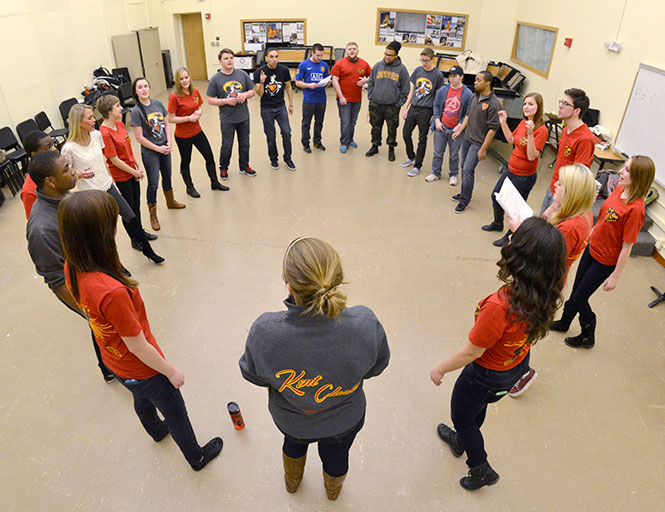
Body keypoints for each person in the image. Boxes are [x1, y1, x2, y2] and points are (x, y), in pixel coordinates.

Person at [59, 189, 223, 470]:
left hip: (116, 362)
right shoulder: (112, 292)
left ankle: (156, 431)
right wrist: (170, 371)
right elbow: (137, 345)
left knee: (140, 398)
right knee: (175, 411)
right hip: (143, 368)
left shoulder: (71, 266)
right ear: (102, 234)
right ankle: (196, 457)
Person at [239, 237, 390, 500]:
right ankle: (333, 491)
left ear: (289, 285)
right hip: (344, 419)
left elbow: (251, 373)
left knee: (294, 446)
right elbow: (377, 366)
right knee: (337, 455)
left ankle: (292, 481)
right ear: (338, 279)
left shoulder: (266, 331)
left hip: (292, 420)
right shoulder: (365, 323)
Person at [430, 217, 566, 490]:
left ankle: (480, 468)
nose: (510, 238)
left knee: (463, 416)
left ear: (522, 258)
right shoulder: (546, 291)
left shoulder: (499, 306)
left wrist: (440, 369)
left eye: (516, 238)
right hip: (513, 366)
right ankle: (462, 438)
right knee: (476, 409)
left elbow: (471, 353)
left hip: (484, 375)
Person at [507, 164, 596, 397]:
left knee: (523, 326)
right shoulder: (577, 213)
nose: (555, 184)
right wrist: (552, 209)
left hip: (542, 281)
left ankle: (522, 371)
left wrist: (519, 234)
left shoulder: (570, 226)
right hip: (549, 278)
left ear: (572, 193)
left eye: (561, 184)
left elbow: (542, 256)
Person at [26, 151, 115, 383]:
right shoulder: (42, 230)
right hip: (85, 293)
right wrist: (89, 311)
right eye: (66, 169)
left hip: (96, 274)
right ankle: (110, 367)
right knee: (102, 330)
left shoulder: (63, 198)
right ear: (50, 181)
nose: (74, 171)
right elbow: (56, 281)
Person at [550, 156, 655, 349]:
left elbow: (627, 246)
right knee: (576, 289)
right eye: (624, 168)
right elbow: (605, 218)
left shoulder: (636, 209)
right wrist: (591, 233)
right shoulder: (619, 190)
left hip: (605, 261)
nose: (621, 172)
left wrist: (615, 276)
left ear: (639, 176)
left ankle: (588, 334)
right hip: (592, 248)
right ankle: (565, 322)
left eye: (627, 170)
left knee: (582, 297)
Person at [63, 103, 163, 263]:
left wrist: (113, 182)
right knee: (105, 232)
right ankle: (114, 264)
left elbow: (103, 162)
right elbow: (66, 174)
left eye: (93, 116)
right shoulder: (69, 148)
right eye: (89, 118)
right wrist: (78, 175)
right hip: (92, 195)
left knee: (131, 216)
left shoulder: (96, 135)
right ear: (78, 122)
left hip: (108, 186)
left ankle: (148, 251)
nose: (94, 120)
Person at [481, 92, 548, 246]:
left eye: (531, 104)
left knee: (514, 210)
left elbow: (532, 156)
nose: (526, 107)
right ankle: (498, 223)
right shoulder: (523, 123)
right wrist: (503, 122)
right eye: (525, 104)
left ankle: (511, 236)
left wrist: (531, 134)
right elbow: (511, 139)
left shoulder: (541, 130)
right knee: (496, 197)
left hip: (524, 177)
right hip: (511, 170)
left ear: (539, 108)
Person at [97, 95, 157, 251]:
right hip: (122, 175)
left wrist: (137, 166)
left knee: (136, 205)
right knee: (128, 209)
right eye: (117, 106)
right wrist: (134, 172)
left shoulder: (119, 124)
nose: (121, 108)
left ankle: (140, 232)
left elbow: (129, 148)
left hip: (132, 171)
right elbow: (114, 160)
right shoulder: (104, 133)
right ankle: (135, 239)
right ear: (109, 111)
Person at [131, 77, 185, 231]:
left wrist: (168, 142)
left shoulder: (158, 104)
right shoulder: (136, 112)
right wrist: (157, 148)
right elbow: (139, 138)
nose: (143, 89)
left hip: (164, 148)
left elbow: (166, 123)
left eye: (145, 86)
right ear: (135, 91)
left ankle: (170, 201)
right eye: (140, 87)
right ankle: (153, 214)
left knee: (167, 176)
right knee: (153, 183)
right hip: (151, 153)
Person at [167, 67, 229, 197]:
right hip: (183, 136)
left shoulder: (194, 91)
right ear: (178, 81)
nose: (184, 81)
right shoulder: (174, 97)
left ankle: (214, 182)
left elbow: (199, 105)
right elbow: (171, 118)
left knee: (209, 157)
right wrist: (188, 118)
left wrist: (199, 111)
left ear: (190, 77)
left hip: (197, 131)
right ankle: (189, 188)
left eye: (186, 77)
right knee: (186, 161)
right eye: (181, 79)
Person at [451, 71, 501, 213]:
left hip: (477, 143)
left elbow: (492, 130)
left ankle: (464, 200)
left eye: (479, 80)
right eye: (475, 80)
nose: (475, 82)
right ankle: (464, 193)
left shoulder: (494, 104)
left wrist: (483, 149)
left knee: (468, 170)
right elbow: (468, 115)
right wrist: (460, 131)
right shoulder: (475, 96)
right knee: (463, 166)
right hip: (467, 138)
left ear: (488, 83)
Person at [539, 88, 595, 215]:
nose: (560, 106)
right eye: (561, 102)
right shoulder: (565, 130)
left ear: (577, 111)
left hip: (564, 198)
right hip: (554, 187)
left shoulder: (585, 139)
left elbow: (577, 179)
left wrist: (555, 205)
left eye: (565, 104)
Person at [207, 48, 257, 179]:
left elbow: (252, 90)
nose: (229, 60)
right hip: (227, 119)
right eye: (226, 58)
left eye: (231, 58)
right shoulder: (215, 79)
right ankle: (223, 168)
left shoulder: (242, 75)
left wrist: (245, 94)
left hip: (243, 117)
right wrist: (226, 101)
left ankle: (244, 166)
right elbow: (210, 100)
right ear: (220, 61)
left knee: (245, 143)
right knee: (227, 145)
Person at [426, 65, 471, 185]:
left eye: (454, 76)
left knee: (454, 154)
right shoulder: (443, 90)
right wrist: (437, 120)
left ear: (461, 77)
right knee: (437, 153)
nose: (452, 79)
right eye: (450, 76)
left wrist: (461, 125)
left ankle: (453, 174)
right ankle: (435, 172)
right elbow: (436, 105)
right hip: (441, 127)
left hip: (456, 130)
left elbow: (468, 111)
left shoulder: (467, 93)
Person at [402, 48, 444, 177]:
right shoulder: (418, 71)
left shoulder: (438, 75)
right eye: (422, 60)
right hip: (414, 107)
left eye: (426, 60)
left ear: (432, 60)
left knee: (422, 138)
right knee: (406, 133)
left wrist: (435, 114)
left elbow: (438, 97)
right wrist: (406, 107)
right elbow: (412, 90)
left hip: (426, 110)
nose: (424, 63)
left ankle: (417, 166)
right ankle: (411, 156)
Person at [366, 41, 409, 162]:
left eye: (390, 55)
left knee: (392, 128)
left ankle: (391, 149)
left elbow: (406, 89)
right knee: (375, 127)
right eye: (385, 54)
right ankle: (375, 146)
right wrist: (371, 96)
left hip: (392, 106)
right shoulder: (378, 66)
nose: (387, 57)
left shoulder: (402, 69)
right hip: (376, 104)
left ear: (396, 55)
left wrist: (398, 104)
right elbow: (371, 83)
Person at [254, 49, 297, 171]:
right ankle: (273, 159)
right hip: (266, 108)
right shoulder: (259, 72)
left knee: (286, 132)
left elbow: (288, 86)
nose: (274, 59)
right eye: (271, 57)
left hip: (280, 107)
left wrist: (291, 104)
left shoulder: (283, 70)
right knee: (270, 135)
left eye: (276, 56)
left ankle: (288, 158)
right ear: (266, 58)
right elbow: (260, 94)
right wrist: (262, 82)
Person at [330, 42, 371, 153]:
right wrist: (341, 97)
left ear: (358, 50)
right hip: (344, 99)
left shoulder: (364, 64)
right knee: (345, 122)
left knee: (353, 121)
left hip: (357, 99)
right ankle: (344, 142)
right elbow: (334, 80)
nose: (352, 51)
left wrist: (365, 81)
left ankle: (350, 139)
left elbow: (372, 76)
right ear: (346, 51)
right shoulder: (340, 63)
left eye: (354, 49)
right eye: (349, 49)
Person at [295, 43, 330, 153]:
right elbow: (297, 82)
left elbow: (326, 79)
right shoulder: (303, 65)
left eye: (321, 55)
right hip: (309, 100)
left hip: (321, 99)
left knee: (319, 122)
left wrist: (328, 83)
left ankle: (317, 141)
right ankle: (305, 143)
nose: (320, 58)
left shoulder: (324, 65)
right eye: (317, 55)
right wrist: (308, 85)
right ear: (312, 53)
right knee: (306, 123)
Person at [20, 130, 57, 219]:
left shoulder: (54, 168)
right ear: (34, 154)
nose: (54, 148)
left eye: (53, 144)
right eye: (48, 147)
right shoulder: (29, 191)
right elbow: (36, 219)